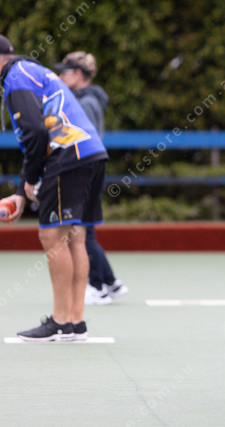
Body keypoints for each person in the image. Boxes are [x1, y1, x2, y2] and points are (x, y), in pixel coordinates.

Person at [0, 35, 108, 341]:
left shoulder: (15, 78)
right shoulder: (31, 70)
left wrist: (26, 183)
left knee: (52, 235)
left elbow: (35, 132)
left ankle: (60, 321)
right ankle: (75, 321)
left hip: (69, 156)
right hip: (91, 153)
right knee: (76, 235)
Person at [54, 51, 128, 305]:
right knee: (86, 229)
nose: (60, 77)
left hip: (85, 170)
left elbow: (83, 142)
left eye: (64, 72)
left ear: (78, 74)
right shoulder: (88, 99)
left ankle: (96, 287)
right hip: (91, 169)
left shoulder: (85, 103)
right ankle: (110, 281)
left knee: (81, 230)